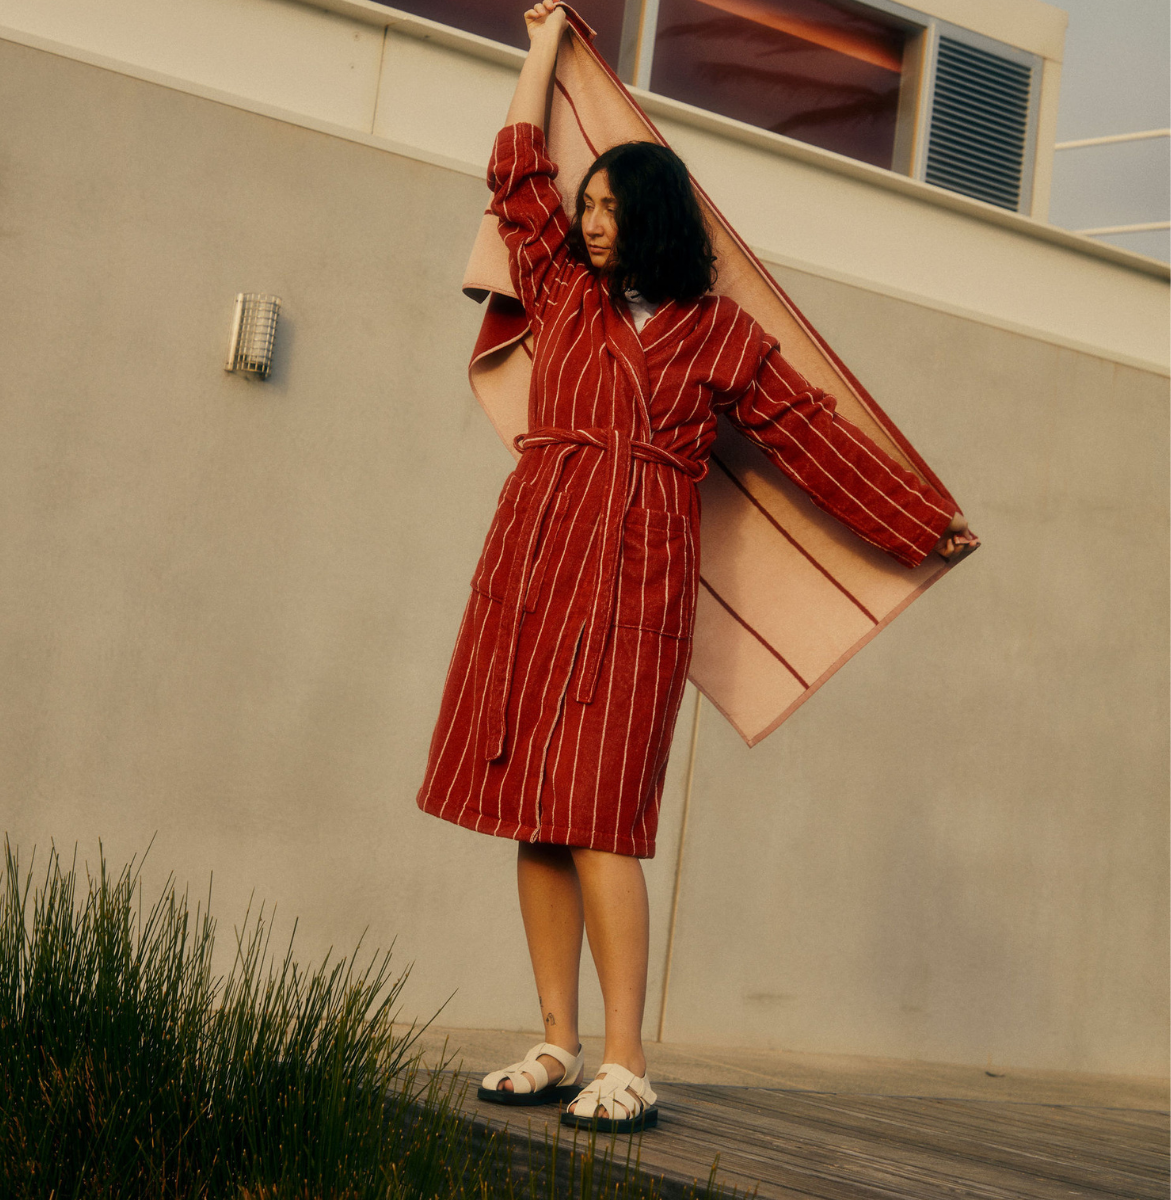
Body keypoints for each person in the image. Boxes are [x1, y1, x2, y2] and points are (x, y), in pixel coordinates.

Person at [416, 0, 973, 1134]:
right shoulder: (563, 291)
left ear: (658, 217)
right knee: (534, 809)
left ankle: (626, 1059)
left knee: (603, 815)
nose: (593, 221)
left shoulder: (722, 337)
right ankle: (555, 1040)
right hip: (532, 557)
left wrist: (920, 521)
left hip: (636, 577)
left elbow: (812, 440)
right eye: (591, 205)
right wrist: (543, 52)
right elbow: (516, 169)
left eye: (615, 207)